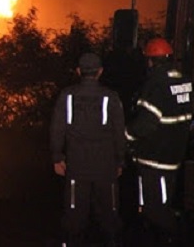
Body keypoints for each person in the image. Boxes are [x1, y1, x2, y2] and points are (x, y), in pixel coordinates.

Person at [50, 53, 126, 247]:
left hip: (76, 166)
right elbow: (119, 132)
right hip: (105, 167)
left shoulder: (67, 96)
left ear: (78, 71)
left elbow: (57, 128)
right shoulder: (111, 97)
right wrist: (120, 161)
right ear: (100, 72)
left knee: (74, 216)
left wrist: (57, 157)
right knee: (110, 216)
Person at [125, 38, 192, 246]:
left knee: (155, 209)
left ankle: (175, 238)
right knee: (160, 205)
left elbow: (146, 124)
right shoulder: (182, 80)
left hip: (155, 158)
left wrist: (126, 134)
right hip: (174, 154)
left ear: (150, 61)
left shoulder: (156, 83)